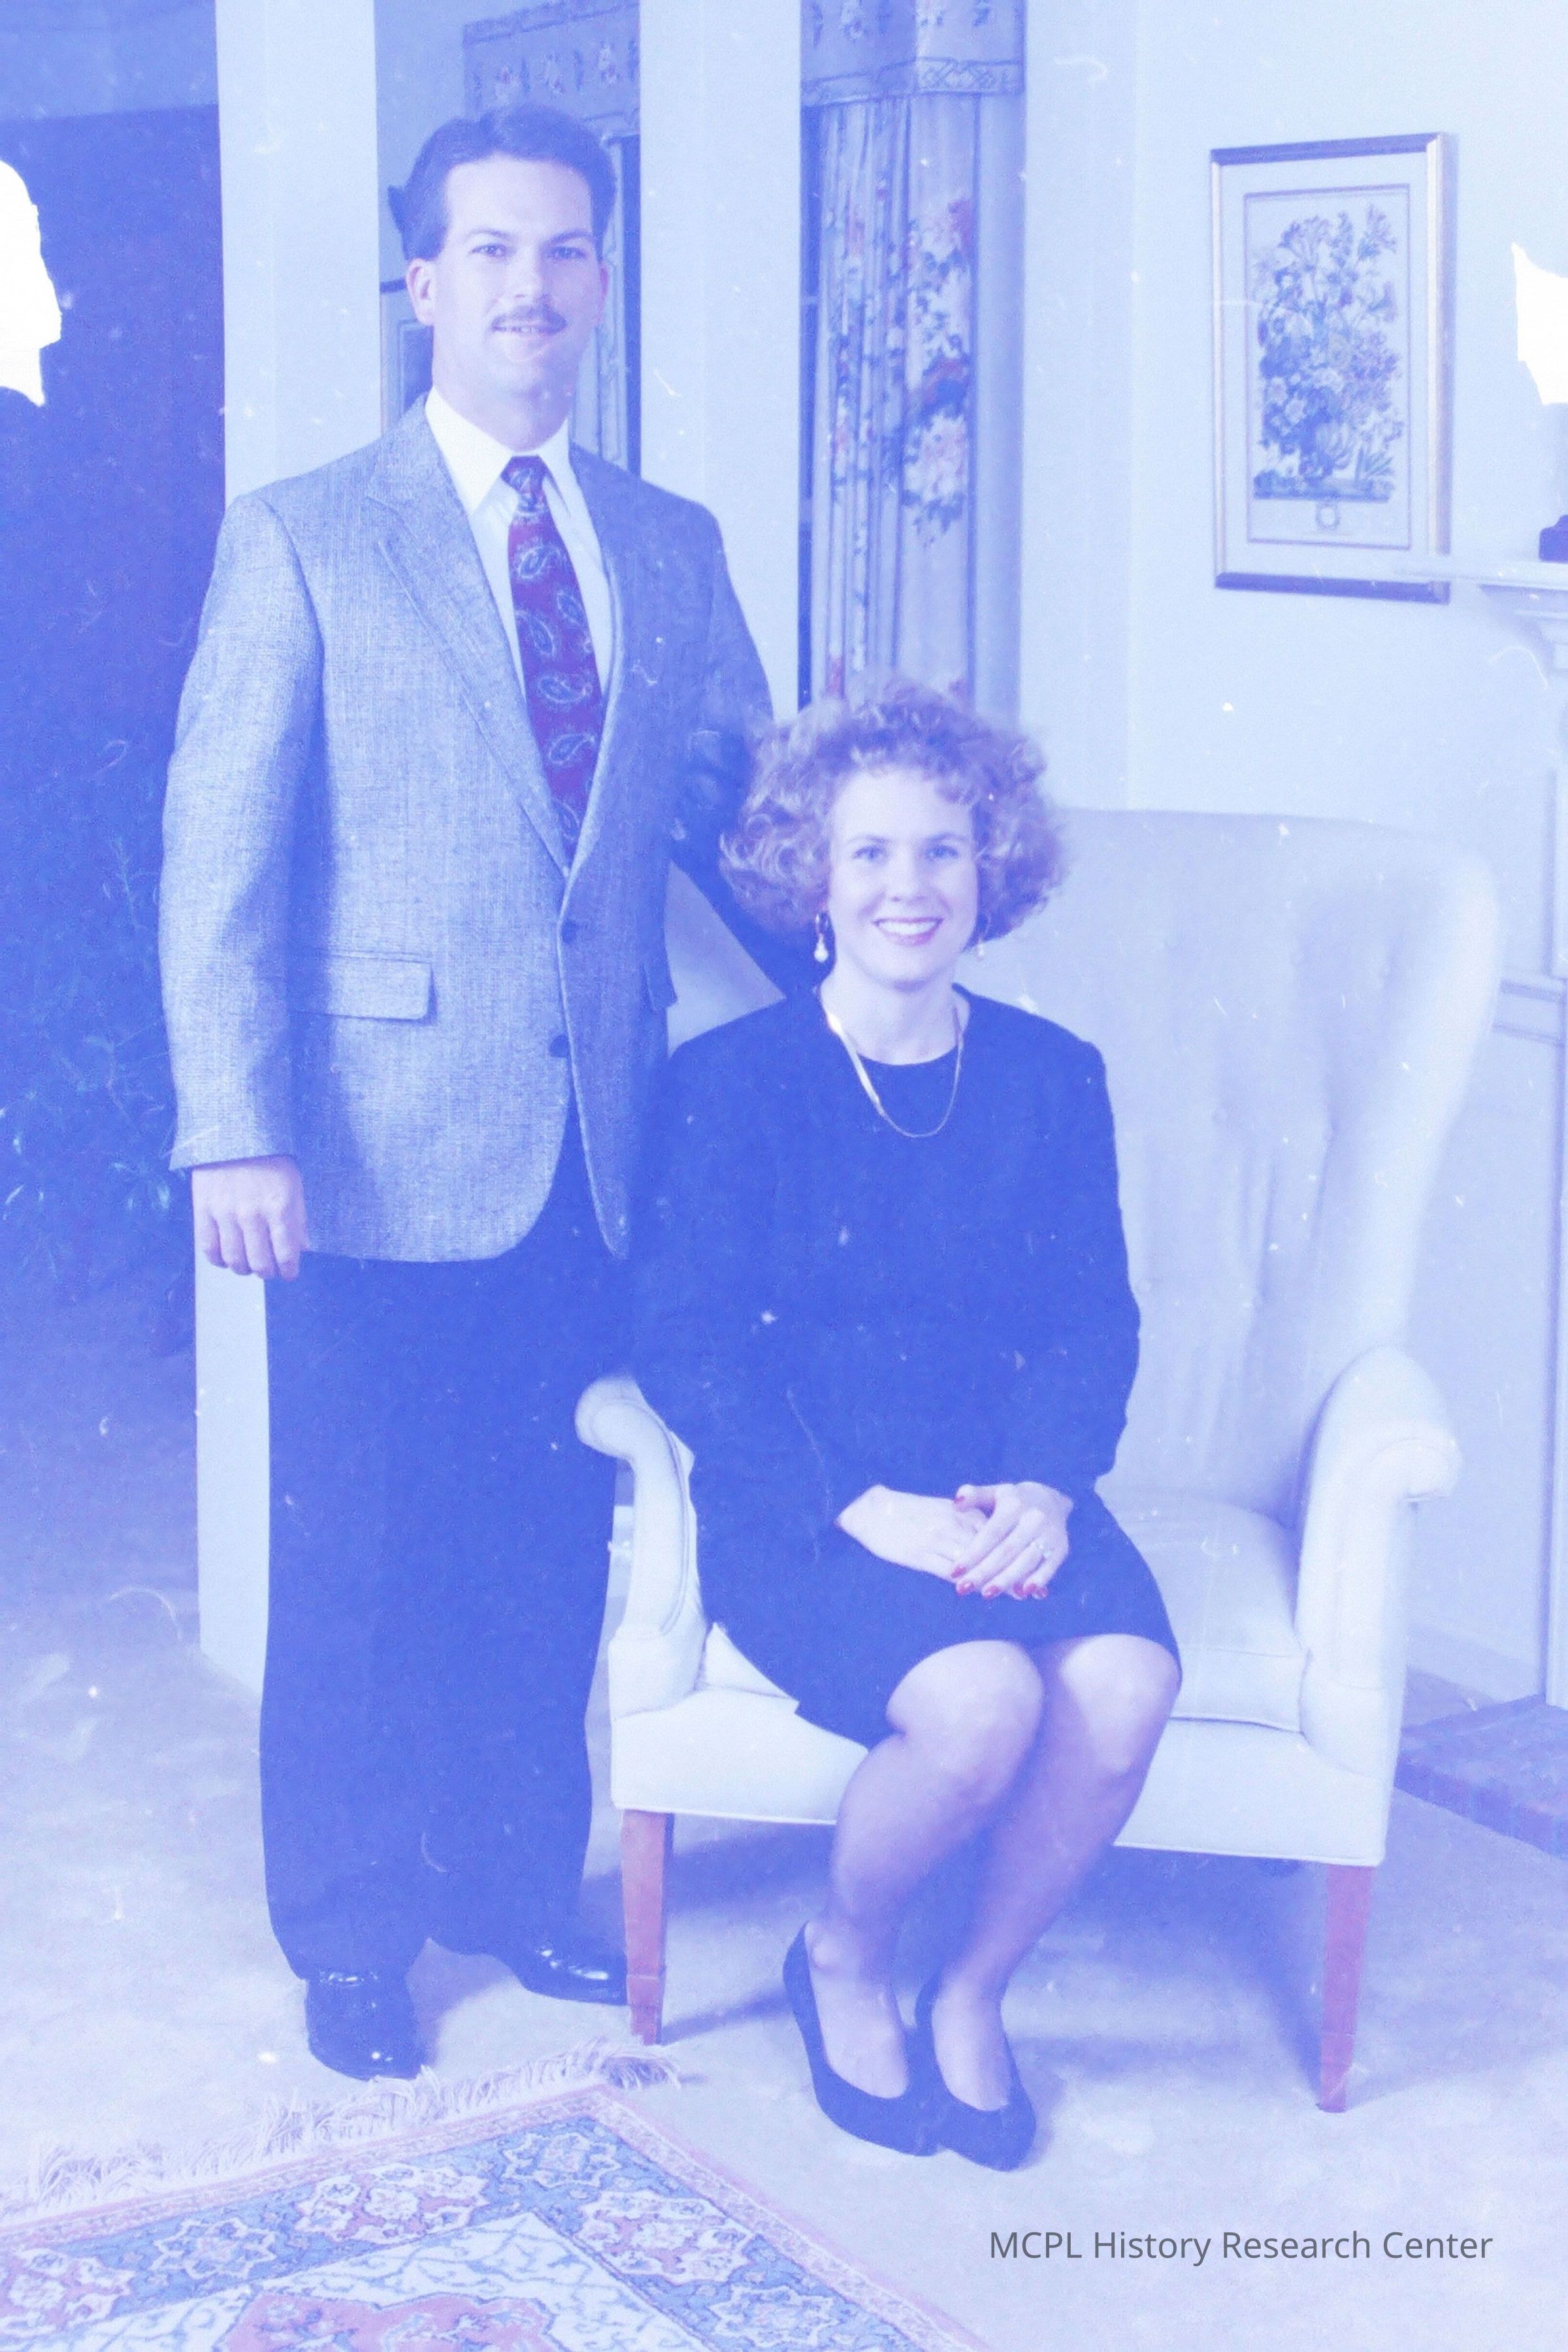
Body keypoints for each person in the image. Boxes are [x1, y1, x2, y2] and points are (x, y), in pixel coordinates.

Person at [159, 103, 792, 2081]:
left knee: (538, 1547)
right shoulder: (305, 533)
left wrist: (883, 962)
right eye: (492, 251)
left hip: (598, 1146)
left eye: (566, 250)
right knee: (358, 1554)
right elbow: (220, 860)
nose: (532, 287)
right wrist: (235, 1128)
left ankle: (514, 1882)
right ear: (422, 281)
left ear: (601, 280)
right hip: (363, 1145)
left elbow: (748, 827)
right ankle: (353, 1938)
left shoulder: (669, 546)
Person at [632, 681, 1182, 2168]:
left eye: (943, 849)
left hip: (1001, 1491)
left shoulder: (1054, 1079)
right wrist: (855, 1503)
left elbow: (1091, 1323)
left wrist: (1050, 1489)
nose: (909, 887)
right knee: (982, 1703)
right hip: (810, 1504)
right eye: (869, 852)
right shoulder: (731, 1085)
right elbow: (684, 1344)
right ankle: (844, 1955)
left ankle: (976, 1983)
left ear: (990, 869)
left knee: (1126, 1685)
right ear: (809, 875)